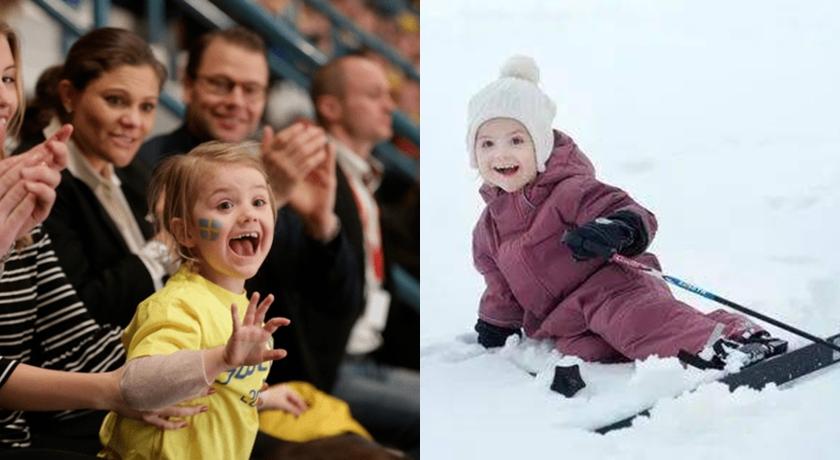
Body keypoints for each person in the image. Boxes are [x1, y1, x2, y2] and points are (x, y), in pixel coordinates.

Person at [468, 55, 788, 370]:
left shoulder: (570, 190)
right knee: (596, 349)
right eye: (487, 144)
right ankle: (725, 330)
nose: (501, 154)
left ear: (540, 145)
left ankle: (719, 345)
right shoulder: (488, 231)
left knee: (635, 324)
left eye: (516, 140)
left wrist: (616, 228)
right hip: (568, 320)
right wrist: (496, 321)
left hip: (615, 288)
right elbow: (501, 287)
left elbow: (629, 211)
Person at [137, 26, 363, 395]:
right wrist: (274, 195)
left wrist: (322, 225)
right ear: (188, 84)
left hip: (297, 384)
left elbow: (341, 304)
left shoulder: (278, 166)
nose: (236, 101)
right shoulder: (153, 167)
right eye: (221, 84)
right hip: (207, 395)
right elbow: (160, 290)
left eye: (251, 89)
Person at [99, 141, 314, 459]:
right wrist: (223, 358)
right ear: (185, 232)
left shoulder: (241, 306)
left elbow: (212, 390)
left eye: (258, 201)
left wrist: (259, 397)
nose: (248, 216)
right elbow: (134, 387)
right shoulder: (178, 304)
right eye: (225, 205)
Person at [16, 28, 174, 329]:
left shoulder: (130, 166)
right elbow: (80, 308)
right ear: (69, 96)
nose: (134, 122)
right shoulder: (37, 178)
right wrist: (165, 246)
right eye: (116, 100)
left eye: (147, 107)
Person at [310, 54, 419, 455]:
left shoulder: (363, 178)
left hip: (368, 358)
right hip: (330, 368)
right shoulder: (315, 176)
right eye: (374, 95)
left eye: (389, 95)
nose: (389, 106)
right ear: (331, 107)